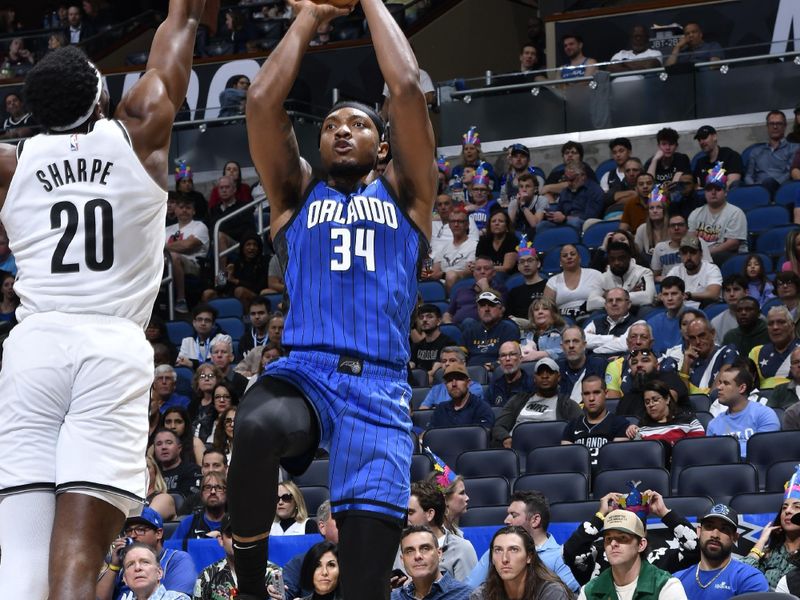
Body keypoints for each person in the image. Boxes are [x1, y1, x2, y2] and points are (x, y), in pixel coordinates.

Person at [0, 3, 203, 596]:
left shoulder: (11, 164)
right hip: (109, 346)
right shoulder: (137, 134)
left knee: (20, 551)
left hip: (32, 349)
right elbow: (181, 26)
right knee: (79, 556)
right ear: (100, 98)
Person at [564, 493, 699, 586]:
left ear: (643, 539)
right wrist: (600, 516)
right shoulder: (599, 553)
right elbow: (571, 551)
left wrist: (664, 512)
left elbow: (694, 548)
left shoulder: (660, 557)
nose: (614, 543)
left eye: (624, 537)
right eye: (611, 536)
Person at [465, 492, 579, 592]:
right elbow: (468, 590)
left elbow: (566, 595)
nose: (506, 520)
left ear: (535, 520)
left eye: (514, 515)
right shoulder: (497, 551)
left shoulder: (561, 557)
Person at [576, 510, 688, 600]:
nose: (613, 544)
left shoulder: (665, 586)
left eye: (623, 538)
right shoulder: (590, 591)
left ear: (641, 544)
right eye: (608, 539)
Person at [97, 507, 197, 599]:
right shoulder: (121, 562)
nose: (132, 535)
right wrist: (114, 566)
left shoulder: (177, 559)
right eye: (128, 530)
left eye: (140, 530)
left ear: (158, 533)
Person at [674, 504, 768, 600]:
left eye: (724, 529)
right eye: (709, 526)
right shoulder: (677, 580)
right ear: (699, 532)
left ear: (735, 537)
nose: (715, 535)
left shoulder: (749, 578)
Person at [394, 481, 478, 582]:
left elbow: (468, 593)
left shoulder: (462, 549)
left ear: (430, 514)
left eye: (411, 512)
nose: (405, 518)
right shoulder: (398, 547)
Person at [492, 357, 581, 448]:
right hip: (518, 449)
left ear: (558, 377)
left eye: (550, 372)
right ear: (534, 378)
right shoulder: (518, 400)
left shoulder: (568, 405)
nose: (544, 376)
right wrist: (506, 438)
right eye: (540, 373)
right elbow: (499, 426)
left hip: (550, 450)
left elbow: (582, 429)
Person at [193, 514, 283, 600]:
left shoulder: (273, 573)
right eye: (230, 534)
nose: (237, 539)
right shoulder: (207, 575)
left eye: (243, 534)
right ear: (221, 540)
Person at [470, 525, 572, 600]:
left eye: (514, 549)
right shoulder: (481, 595)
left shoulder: (551, 592)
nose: (504, 558)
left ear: (529, 556)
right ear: (492, 557)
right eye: (498, 550)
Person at [742, 469, 800, 588]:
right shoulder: (769, 553)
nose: (788, 511)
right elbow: (742, 576)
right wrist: (761, 541)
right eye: (784, 508)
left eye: (797, 507)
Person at [707, 363, 780, 456]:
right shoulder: (713, 425)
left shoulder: (765, 415)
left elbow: (765, 451)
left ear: (742, 388)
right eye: (720, 382)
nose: (719, 387)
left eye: (726, 383)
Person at [561, 375, 630, 466]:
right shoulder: (572, 426)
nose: (591, 398)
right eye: (586, 394)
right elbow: (567, 462)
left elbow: (617, 463)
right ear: (582, 396)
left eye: (596, 392)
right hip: (580, 477)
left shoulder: (620, 424)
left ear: (606, 394)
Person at [392, 524, 472, 600]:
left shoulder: (466, 595)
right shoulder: (393, 597)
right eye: (409, 551)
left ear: (439, 554)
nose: (417, 556)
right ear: (402, 560)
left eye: (425, 548)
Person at [688, 166, 748, 265]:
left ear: (725, 192)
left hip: (729, 255)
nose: (713, 192)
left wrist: (705, 254)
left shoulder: (735, 212)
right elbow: (691, 240)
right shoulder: (695, 213)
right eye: (709, 189)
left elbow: (733, 244)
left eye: (718, 189)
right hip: (702, 256)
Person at [282, 500, 339, 600]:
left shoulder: (365, 562)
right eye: (339, 519)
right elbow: (284, 594)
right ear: (322, 527)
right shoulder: (299, 562)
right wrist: (277, 594)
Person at [624, 380, 704, 444]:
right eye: (647, 402)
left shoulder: (689, 421)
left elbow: (697, 448)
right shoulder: (642, 427)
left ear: (667, 399)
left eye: (655, 400)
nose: (651, 404)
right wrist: (634, 434)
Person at [585, 241, 656, 312]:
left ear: (629, 258)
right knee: (596, 314)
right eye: (612, 259)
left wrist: (609, 296)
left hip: (636, 313)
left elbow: (648, 298)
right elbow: (591, 304)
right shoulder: (602, 277)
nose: (616, 262)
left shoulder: (644, 272)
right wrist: (630, 294)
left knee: (646, 309)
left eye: (621, 258)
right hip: (611, 315)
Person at [536, 163, 604, 233]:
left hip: (584, 223)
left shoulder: (594, 190)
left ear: (582, 176)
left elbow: (589, 216)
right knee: (542, 225)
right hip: (565, 221)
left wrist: (565, 218)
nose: (568, 183)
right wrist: (552, 215)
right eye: (566, 179)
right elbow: (559, 210)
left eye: (572, 179)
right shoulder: (565, 191)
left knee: (574, 222)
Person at [679, 317, 738, 395]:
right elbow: (683, 397)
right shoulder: (690, 360)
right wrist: (686, 364)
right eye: (692, 338)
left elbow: (716, 393)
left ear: (712, 333)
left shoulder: (726, 352)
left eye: (702, 335)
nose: (698, 342)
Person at [543, 244, 603, 320]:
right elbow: (546, 307)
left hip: (592, 317)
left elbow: (609, 296)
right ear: (560, 262)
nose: (569, 257)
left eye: (573, 254)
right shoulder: (553, 281)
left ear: (579, 258)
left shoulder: (595, 274)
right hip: (564, 321)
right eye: (565, 256)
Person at [461, 290, 519, 367]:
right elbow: (458, 356)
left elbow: (512, 357)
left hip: (497, 372)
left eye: (491, 305)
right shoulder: (470, 330)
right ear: (478, 310)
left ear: (500, 309)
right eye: (482, 305)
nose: (486, 309)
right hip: (471, 372)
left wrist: (493, 365)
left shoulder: (509, 328)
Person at [428, 363, 495, 430]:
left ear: (468, 383)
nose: (454, 384)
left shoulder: (481, 408)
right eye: (449, 380)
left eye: (458, 379)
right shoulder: (440, 409)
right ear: (445, 385)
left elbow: (483, 436)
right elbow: (431, 435)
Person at [169, 471, 226, 550]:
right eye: (208, 488)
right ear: (201, 494)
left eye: (219, 488)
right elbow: (171, 551)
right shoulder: (188, 523)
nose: (213, 492)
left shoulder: (235, 524)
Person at [744, 110, 799, 192]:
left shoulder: (794, 148)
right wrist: (755, 187)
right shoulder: (756, 151)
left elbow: (789, 173)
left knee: (769, 181)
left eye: (779, 123)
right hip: (757, 188)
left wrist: (774, 183)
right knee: (735, 185)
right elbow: (748, 176)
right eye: (771, 123)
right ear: (767, 126)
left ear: (785, 126)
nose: (775, 127)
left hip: (781, 189)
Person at [748, 305, 800, 390]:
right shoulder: (756, 352)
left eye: (781, 322)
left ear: (792, 326)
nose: (775, 327)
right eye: (770, 324)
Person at [442, 257, 506, 325]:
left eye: (486, 269)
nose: (482, 272)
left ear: (494, 273)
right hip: (456, 328)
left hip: (482, 329)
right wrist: (448, 324)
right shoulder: (462, 290)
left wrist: (485, 287)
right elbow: (448, 313)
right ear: (474, 273)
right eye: (478, 269)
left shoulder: (500, 289)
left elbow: (499, 311)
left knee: (468, 322)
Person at [419, 347, 484, 410]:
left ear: (463, 363)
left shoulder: (475, 388)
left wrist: (437, 408)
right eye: (444, 361)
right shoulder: (435, 390)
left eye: (452, 360)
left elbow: (458, 408)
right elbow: (424, 410)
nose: (447, 364)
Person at [118, 543, 190, 600]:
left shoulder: (179, 598)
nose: (137, 568)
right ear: (125, 579)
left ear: (159, 573)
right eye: (130, 564)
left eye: (145, 562)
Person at [651, 214, 709, 281]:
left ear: (687, 228)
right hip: (669, 285)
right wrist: (666, 280)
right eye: (672, 225)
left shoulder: (698, 242)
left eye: (680, 225)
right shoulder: (659, 247)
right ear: (668, 229)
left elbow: (708, 269)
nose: (676, 228)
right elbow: (655, 276)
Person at [671, 235, 723, 308]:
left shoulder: (711, 269)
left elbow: (713, 294)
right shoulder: (675, 271)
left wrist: (689, 295)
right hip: (679, 310)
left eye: (693, 252)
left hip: (703, 311)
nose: (688, 257)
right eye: (684, 253)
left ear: (701, 254)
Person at [410, 304, 456, 383]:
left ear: (438, 321)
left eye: (429, 316)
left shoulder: (448, 343)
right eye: (421, 317)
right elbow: (411, 365)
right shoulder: (417, 346)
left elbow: (436, 371)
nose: (424, 320)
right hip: (419, 384)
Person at [154, 428, 201, 499]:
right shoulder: (151, 474)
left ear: (179, 448)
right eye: (159, 444)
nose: (163, 447)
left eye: (169, 442)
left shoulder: (192, 470)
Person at [505, 241, 546, 322]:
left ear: (538, 264)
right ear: (518, 267)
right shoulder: (514, 292)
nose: (526, 264)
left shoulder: (548, 286)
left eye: (530, 260)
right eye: (522, 262)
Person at [486, 341, 534, 408]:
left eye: (512, 354)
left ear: (520, 358)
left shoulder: (532, 385)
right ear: (499, 361)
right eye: (503, 355)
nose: (507, 359)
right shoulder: (493, 387)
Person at [519, 297, 566, 363]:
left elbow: (567, 351)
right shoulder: (526, 334)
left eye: (545, 309)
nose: (540, 312)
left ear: (553, 313)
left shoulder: (563, 330)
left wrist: (539, 354)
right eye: (536, 310)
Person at [475, 210, 518, 276]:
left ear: (506, 225)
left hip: (506, 276)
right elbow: (478, 263)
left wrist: (484, 268)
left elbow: (507, 268)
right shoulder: (484, 240)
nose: (496, 223)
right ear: (489, 225)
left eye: (501, 221)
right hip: (485, 274)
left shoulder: (512, 240)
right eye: (493, 221)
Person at [176, 304, 218, 369]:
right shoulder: (187, 341)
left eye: (207, 320)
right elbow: (180, 362)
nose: (203, 323)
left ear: (213, 324)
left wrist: (192, 364)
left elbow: (219, 364)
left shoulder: (222, 339)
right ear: (194, 323)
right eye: (199, 319)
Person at [712, 275, 749, 343]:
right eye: (728, 290)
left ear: (746, 292)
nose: (731, 294)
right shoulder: (716, 322)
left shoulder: (759, 319)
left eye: (736, 289)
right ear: (723, 295)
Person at [634, 187, 670, 256]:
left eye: (659, 207)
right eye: (651, 208)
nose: (655, 211)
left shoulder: (672, 227)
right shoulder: (642, 229)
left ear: (664, 210)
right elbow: (636, 254)